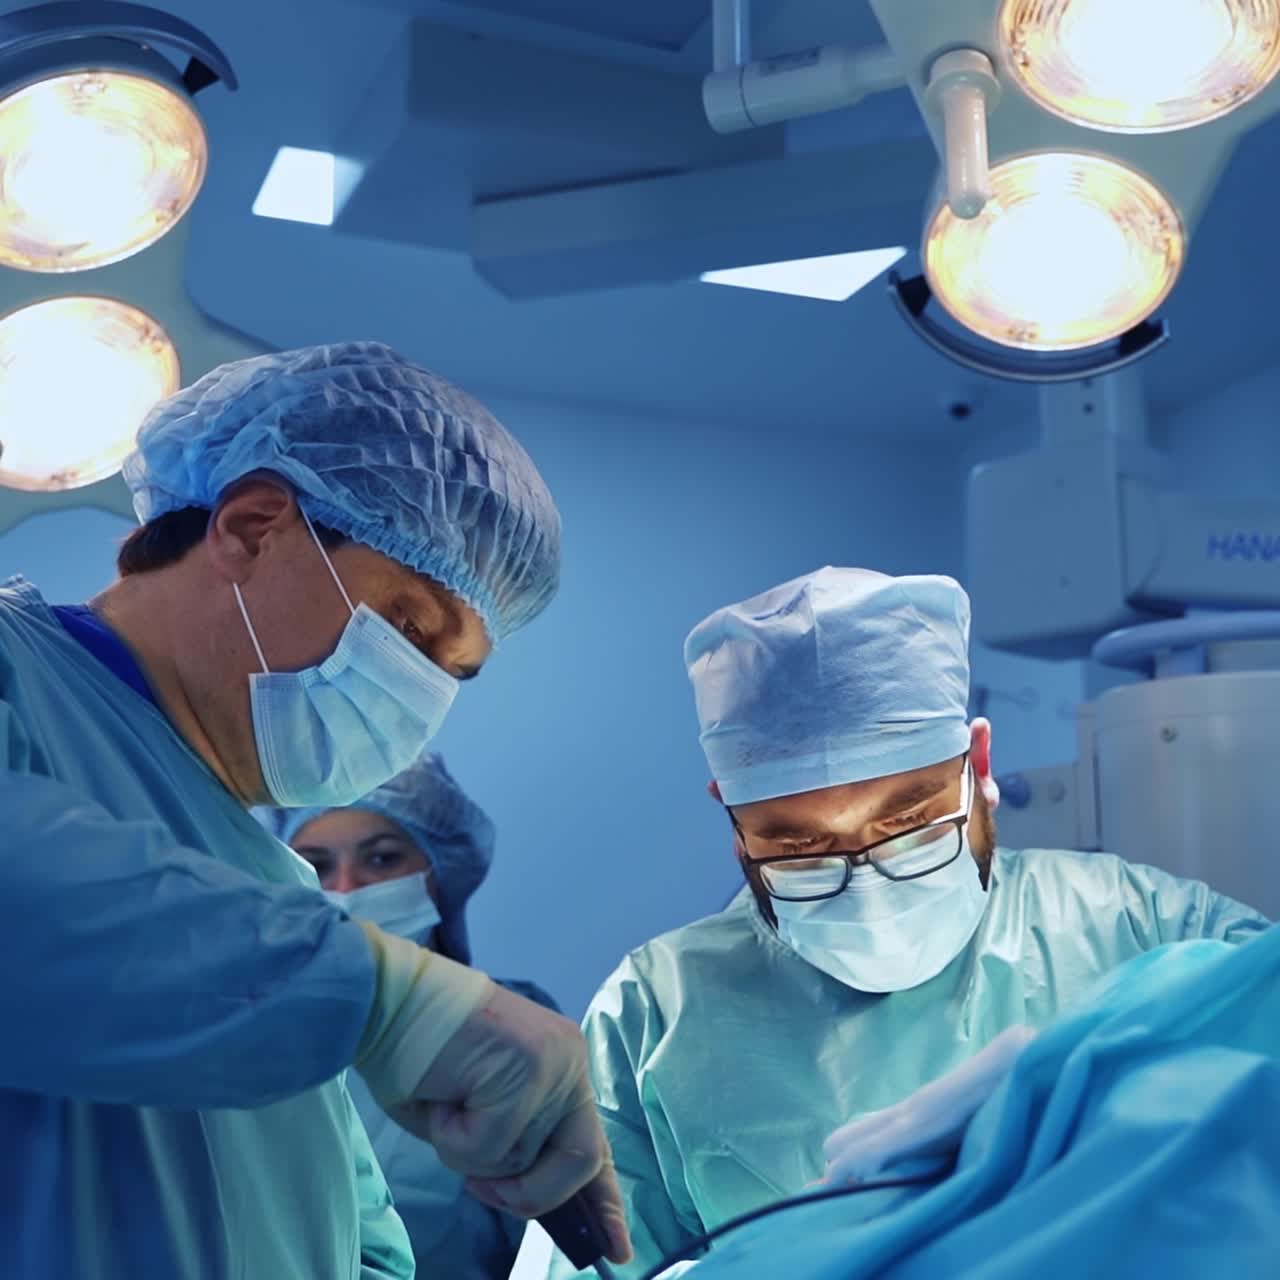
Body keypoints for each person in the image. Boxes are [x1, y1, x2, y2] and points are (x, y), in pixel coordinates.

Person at [0, 342, 629, 1280]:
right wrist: (392, 1003)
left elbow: (350, 1235)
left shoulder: (266, 884)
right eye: (412, 627)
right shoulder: (18, 675)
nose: (418, 693)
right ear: (253, 528)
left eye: (452, 672)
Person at [545, 567, 1269, 1279]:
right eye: (800, 846)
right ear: (732, 822)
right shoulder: (653, 1014)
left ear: (978, 764)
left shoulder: (1147, 925)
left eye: (911, 823)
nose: (868, 884)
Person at [258, 751, 558, 1280]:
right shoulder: (240, 1044)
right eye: (315, 867)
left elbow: (565, 1245)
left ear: (438, 876)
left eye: (380, 859)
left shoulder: (504, 1032)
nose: (346, 890)